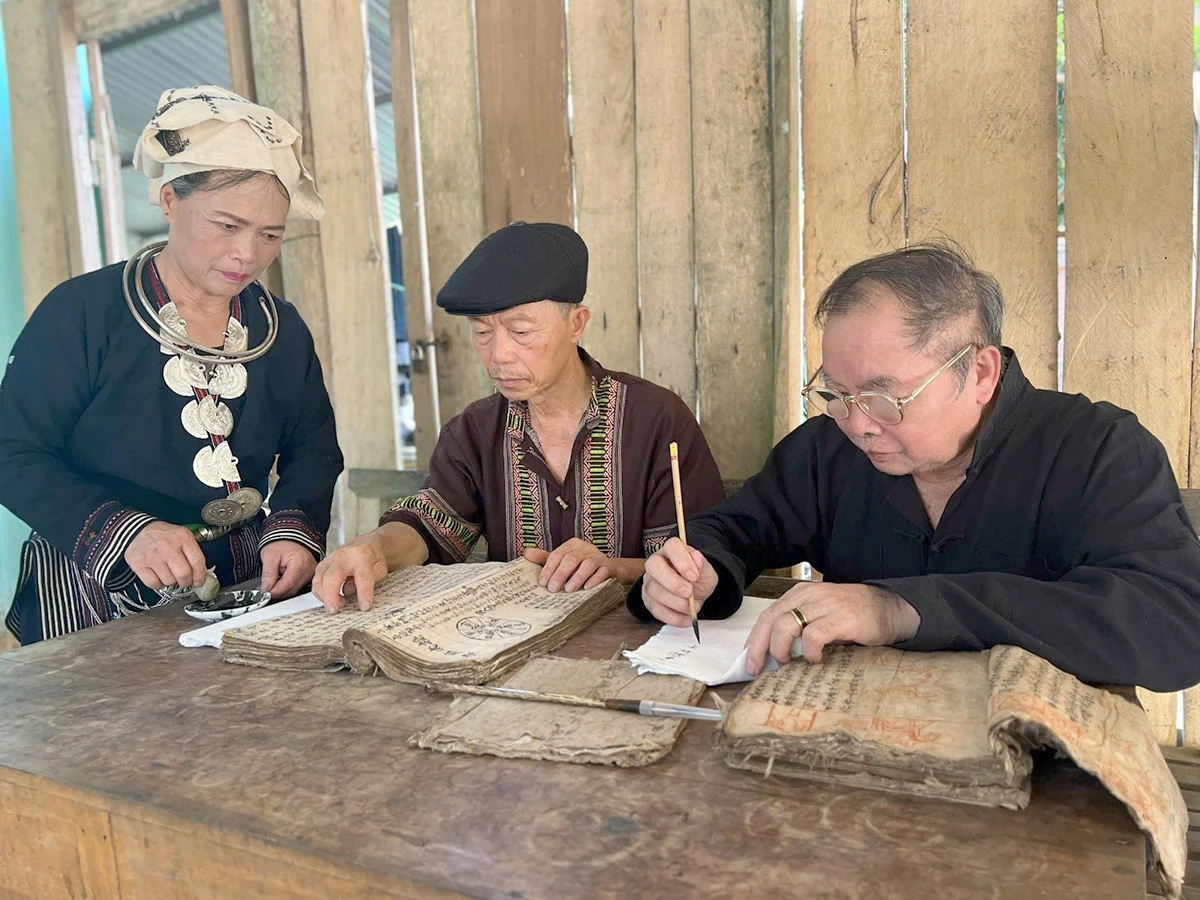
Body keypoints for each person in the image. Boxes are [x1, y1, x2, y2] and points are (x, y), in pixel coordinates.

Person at [631, 243, 1200, 692]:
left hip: (1045, 784)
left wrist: (903, 608)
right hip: (854, 755)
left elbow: (1175, 623)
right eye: (835, 392)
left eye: (885, 397)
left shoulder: (1095, 450)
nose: (858, 422)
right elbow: (735, 527)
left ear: (980, 373)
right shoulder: (831, 450)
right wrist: (696, 569)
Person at [0, 86, 344, 644]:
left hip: (244, 586)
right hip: (93, 590)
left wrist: (295, 529)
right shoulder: (82, 313)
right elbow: (12, 451)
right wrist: (127, 534)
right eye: (227, 226)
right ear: (169, 201)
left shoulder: (281, 330)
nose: (246, 254)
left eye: (270, 235)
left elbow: (313, 447)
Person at [313, 222, 724, 611]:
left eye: (522, 332)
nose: (499, 355)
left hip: (634, 645)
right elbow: (428, 528)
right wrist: (373, 547)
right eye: (482, 333)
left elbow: (695, 560)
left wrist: (614, 568)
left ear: (576, 323)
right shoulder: (475, 432)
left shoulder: (654, 421)